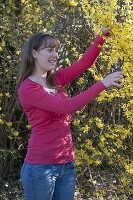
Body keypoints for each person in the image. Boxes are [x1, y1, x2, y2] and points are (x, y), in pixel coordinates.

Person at [18, 26, 123, 200]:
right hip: (40, 167)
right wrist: (102, 84)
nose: (55, 55)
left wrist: (101, 37)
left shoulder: (56, 78)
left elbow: (84, 63)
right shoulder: (28, 88)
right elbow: (66, 107)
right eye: (49, 50)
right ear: (35, 53)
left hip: (67, 163)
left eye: (57, 50)